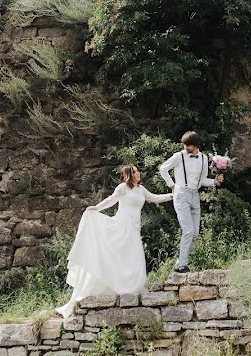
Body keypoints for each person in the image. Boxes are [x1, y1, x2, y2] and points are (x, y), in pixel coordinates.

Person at [55, 164, 172, 318]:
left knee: (134, 258)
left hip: (134, 229)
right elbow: (111, 200)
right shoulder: (123, 188)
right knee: (119, 256)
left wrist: (172, 195)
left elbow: (154, 198)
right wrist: (96, 208)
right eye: (135, 171)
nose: (138, 173)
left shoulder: (141, 189)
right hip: (122, 226)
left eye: (137, 171)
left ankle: (132, 288)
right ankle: (119, 287)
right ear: (129, 175)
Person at [158, 131, 224, 273]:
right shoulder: (178, 156)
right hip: (181, 194)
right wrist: (172, 185)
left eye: (188, 146)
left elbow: (203, 180)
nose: (185, 148)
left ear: (195, 146)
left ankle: (179, 263)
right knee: (188, 230)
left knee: (195, 233)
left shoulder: (204, 158)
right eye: (185, 145)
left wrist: (215, 181)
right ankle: (182, 264)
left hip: (195, 195)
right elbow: (163, 169)